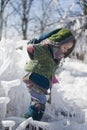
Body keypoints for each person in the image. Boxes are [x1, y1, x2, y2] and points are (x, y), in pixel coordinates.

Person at [23, 28, 76, 121]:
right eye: (64, 47)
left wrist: (52, 78)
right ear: (57, 42)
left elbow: (49, 69)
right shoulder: (45, 49)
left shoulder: (54, 58)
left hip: (41, 83)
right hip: (34, 78)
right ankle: (31, 122)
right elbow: (31, 49)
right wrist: (33, 44)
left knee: (39, 101)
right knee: (39, 102)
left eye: (67, 49)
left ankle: (31, 120)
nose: (65, 51)